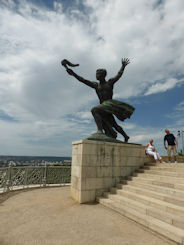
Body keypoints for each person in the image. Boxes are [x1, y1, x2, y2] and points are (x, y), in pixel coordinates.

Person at [61, 58, 135, 142]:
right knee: (113, 124)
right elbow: (82, 80)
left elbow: (118, 75)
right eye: (96, 73)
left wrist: (123, 66)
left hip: (109, 104)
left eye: (98, 73)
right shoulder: (96, 85)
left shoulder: (109, 83)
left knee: (94, 110)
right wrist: (73, 73)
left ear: (103, 75)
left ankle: (100, 131)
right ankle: (125, 136)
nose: (96, 75)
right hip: (103, 106)